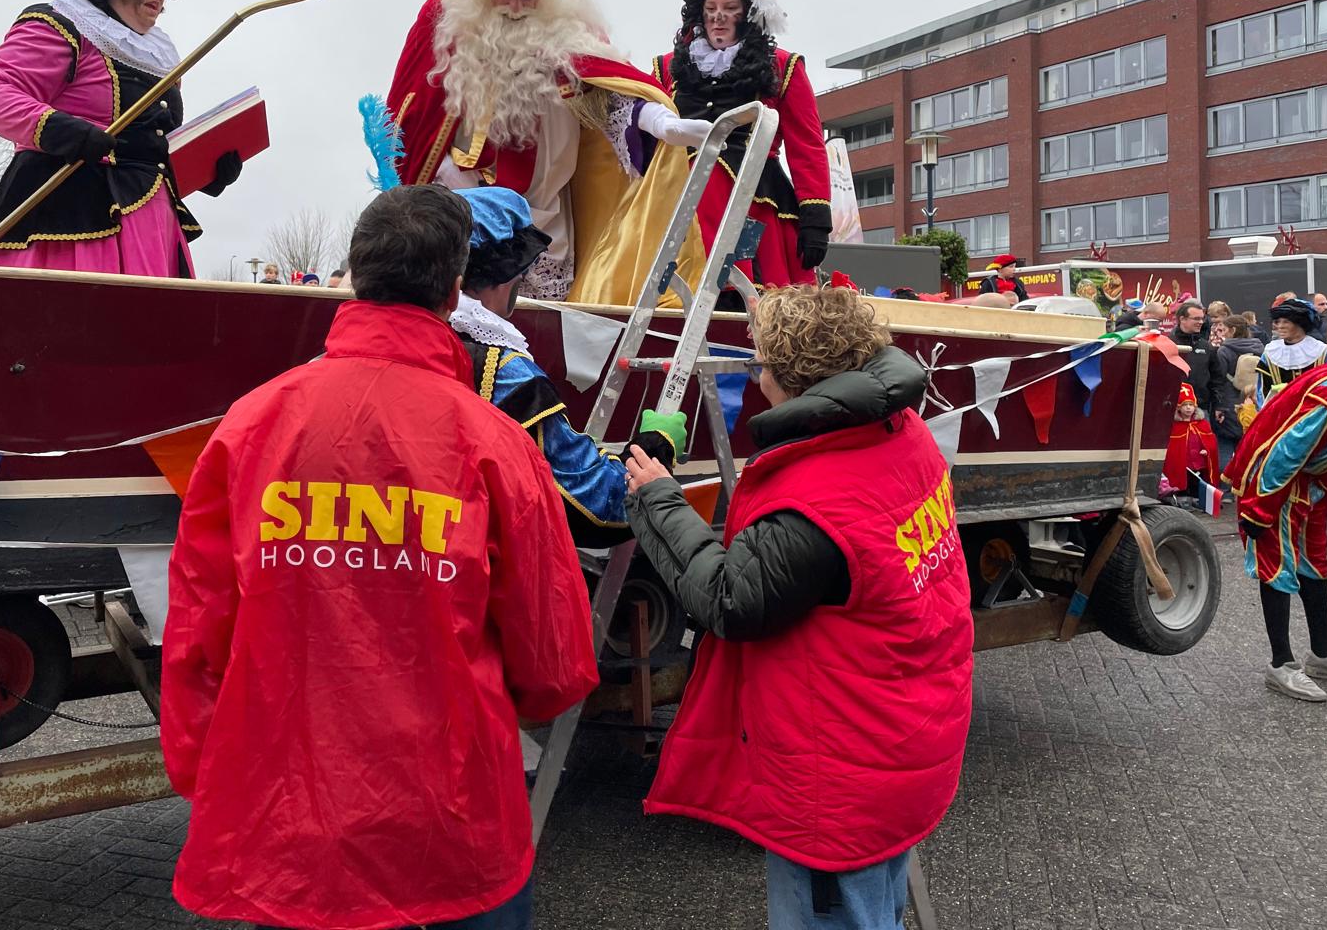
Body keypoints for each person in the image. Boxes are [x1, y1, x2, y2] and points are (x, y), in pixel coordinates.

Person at [161, 185, 598, 929]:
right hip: (452, 822)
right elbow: (554, 664)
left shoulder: (249, 428)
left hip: (290, 821)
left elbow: (199, 629)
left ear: (357, 278)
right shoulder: (496, 444)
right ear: (456, 289)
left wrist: (211, 768)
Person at [624, 284, 973, 930]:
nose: (754, 375)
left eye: (760, 363)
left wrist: (658, 498)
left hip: (841, 777)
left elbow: (730, 599)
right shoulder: (900, 432)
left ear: (790, 379)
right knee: (879, 906)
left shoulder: (816, 497)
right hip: (903, 732)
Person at [381, 0, 711, 303]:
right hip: (461, 212)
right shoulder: (444, 18)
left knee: (539, 339)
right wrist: (437, 181)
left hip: (547, 223)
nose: (516, 5)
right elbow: (410, 119)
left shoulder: (569, 22)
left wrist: (656, 120)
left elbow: (609, 94)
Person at [0, 0, 241, 276]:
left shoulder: (159, 56)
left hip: (153, 224)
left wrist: (205, 169)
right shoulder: (63, 25)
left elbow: (145, 148)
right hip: (71, 221)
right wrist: (57, 128)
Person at [450, 187, 679, 546]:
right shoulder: (507, 373)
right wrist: (654, 448)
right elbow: (597, 507)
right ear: (507, 274)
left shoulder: (407, 343)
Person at [648, 0, 832, 288]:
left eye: (730, 7)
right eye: (711, 8)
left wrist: (816, 215)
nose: (718, 18)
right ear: (699, 11)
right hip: (678, 202)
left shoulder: (782, 66)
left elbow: (807, 146)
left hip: (752, 200)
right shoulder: (666, 68)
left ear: (746, 14)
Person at [1224, 360, 1327, 701]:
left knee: (1314, 563)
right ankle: (1281, 665)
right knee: (1276, 566)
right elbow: (1286, 450)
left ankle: (1323, 655)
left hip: (1311, 481)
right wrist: (1259, 508)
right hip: (1271, 478)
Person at [1257, 299, 1327, 407]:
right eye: (1278, 322)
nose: (1280, 326)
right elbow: (1262, 391)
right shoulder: (1270, 353)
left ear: (1300, 324)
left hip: (1316, 415)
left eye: (1286, 322)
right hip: (1281, 416)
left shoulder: (1324, 352)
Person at [1213, 314, 1265, 471]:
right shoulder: (1260, 348)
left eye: (1224, 329)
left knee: (1225, 447)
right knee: (1249, 448)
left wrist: (1218, 406)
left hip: (1229, 403)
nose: (1222, 333)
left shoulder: (1224, 351)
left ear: (1233, 330)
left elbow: (1219, 379)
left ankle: (1226, 488)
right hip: (1254, 401)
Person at [1160, 383, 1220, 507]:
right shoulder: (1174, 426)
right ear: (1178, 407)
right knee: (1183, 481)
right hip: (1183, 463)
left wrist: (1206, 450)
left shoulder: (1202, 424)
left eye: (1191, 405)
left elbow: (1210, 443)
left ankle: (1201, 501)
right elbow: (1172, 447)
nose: (1188, 408)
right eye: (1185, 405)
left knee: (1197, 483)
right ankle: (1182, 501)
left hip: (1199, 462)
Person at [1168, 300, 1224, 419]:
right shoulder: (1168, 344)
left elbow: (1217, 379)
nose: (1200, 322)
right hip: (1173, 410)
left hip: (1201, 409)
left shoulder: (1206, 346)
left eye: (1202, 319)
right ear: (1182, 319)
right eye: (1196, 319)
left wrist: (1219, 406)